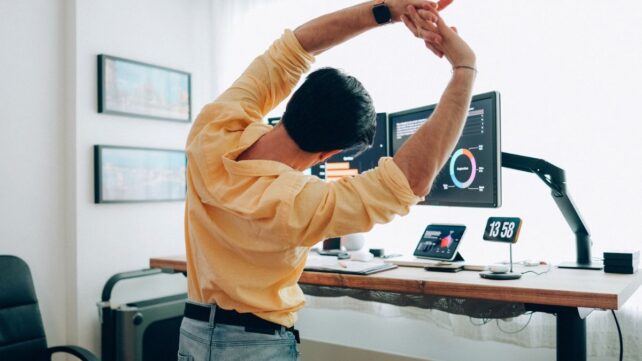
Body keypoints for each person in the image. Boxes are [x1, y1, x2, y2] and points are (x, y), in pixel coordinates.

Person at [179, 0, 476, 360]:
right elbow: (410, 180)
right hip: (256, 345)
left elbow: (297, 45)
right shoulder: (299, 203)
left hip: (193, 333)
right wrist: (464, 69)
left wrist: (388, 9)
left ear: (293, 100)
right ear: (330, 154)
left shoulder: (212, 130)